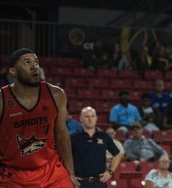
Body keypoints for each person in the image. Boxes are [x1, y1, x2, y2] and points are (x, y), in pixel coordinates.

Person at [0, 48, 78, 187]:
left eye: (36, 62)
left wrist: (70, 172)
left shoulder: (56, 94)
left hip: (51, 171)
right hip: (13, 173)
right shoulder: (2, 99)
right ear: (13, 71)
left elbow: (61, 134)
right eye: (27, 62)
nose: (34, 66)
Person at [71, 107, 124, 188]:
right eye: (86, 116)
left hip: (99, 183)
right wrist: (69, 175)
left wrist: (110, 172)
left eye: (92, 116)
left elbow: (118, 154)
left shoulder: (104, 136)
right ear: (81, 119)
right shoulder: (73, 137)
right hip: (79, 183)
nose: (90, 119)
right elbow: (63, 157)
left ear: (96, 118)